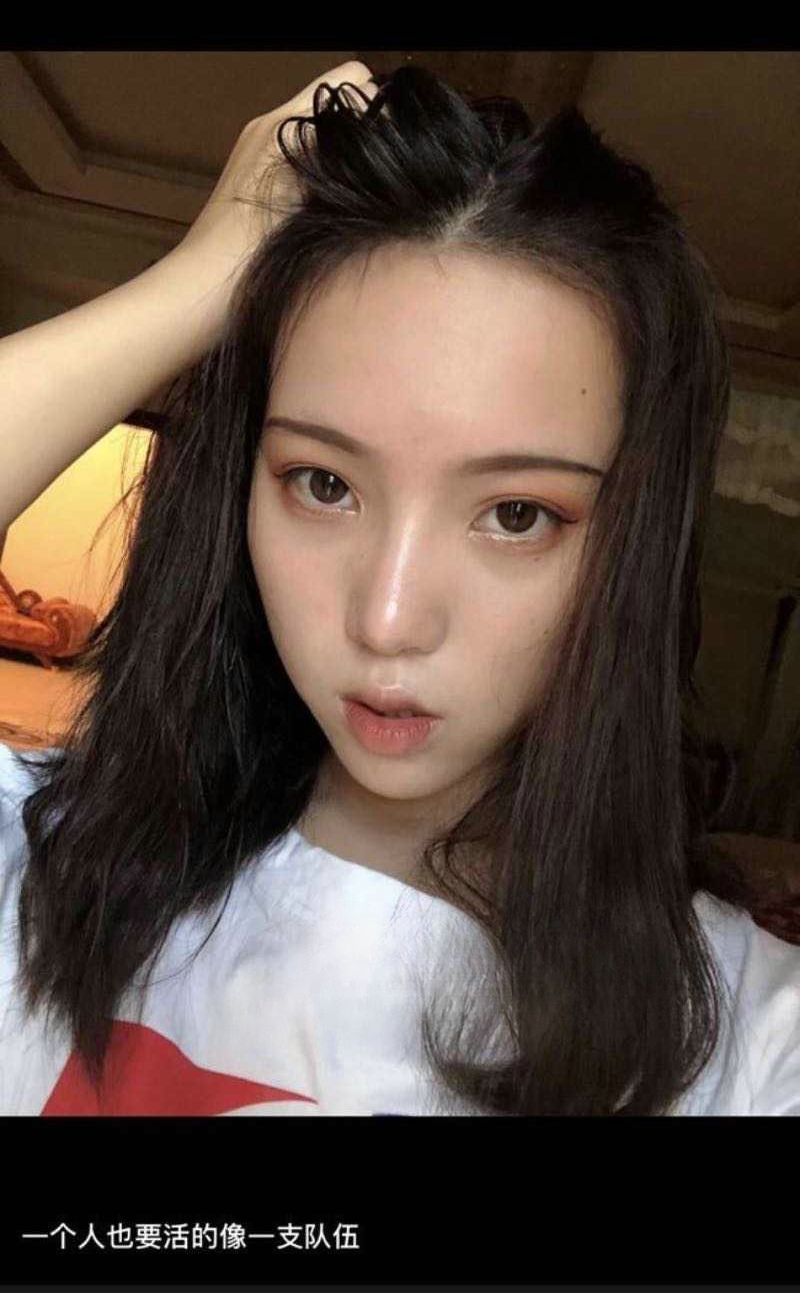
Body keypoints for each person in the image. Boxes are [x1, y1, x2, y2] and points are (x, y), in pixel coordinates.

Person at [0, 61, 798, 1117]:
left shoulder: (746, 1042)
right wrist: (195, 285)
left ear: (632, 548)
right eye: (323, 484)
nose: (387, 619)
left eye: (517, 514)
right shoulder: (45, 862)